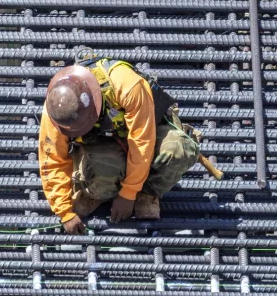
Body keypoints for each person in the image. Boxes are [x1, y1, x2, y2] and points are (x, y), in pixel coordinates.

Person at [38, 58, 201, 234]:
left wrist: (129, 193)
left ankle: (146, 193)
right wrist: (65, 212)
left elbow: (142, 143)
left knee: (180, 148)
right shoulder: (56, 108)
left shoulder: (128, 85)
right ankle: (96, 192)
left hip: (142, 137)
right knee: (103, 165)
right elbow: (52, 158)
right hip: (102, 150)